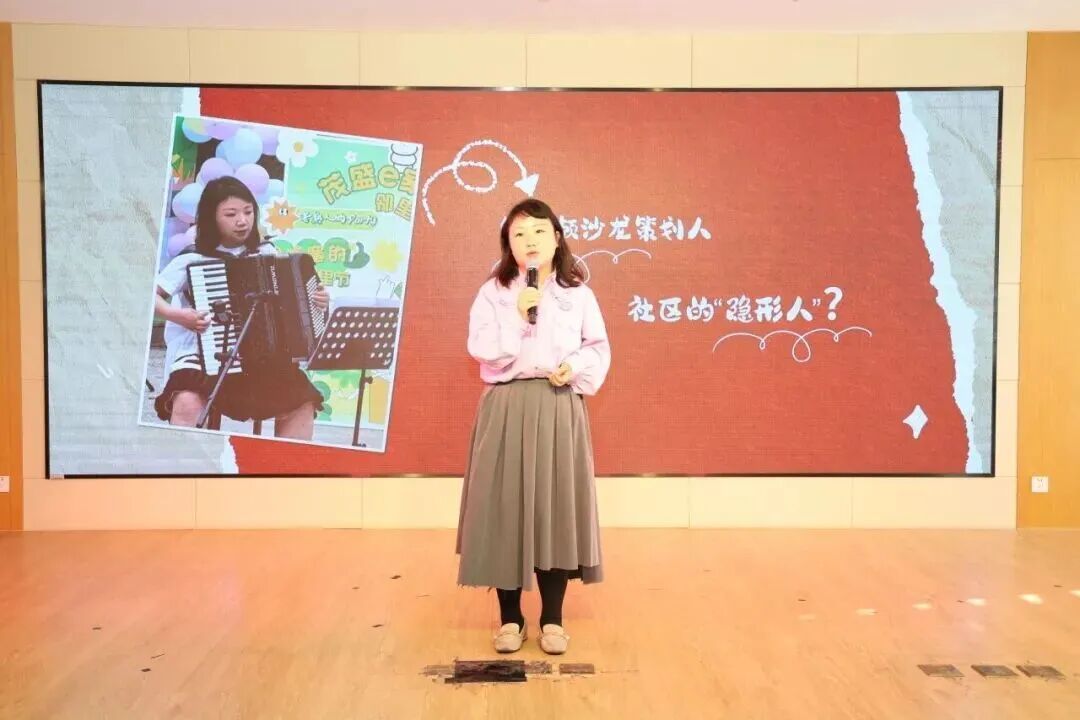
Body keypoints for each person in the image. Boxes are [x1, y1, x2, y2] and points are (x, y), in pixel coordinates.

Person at [456, 198, 612, 655]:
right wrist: (517, 315)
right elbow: (482, 347)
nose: (530, 241)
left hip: (558, 404)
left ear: (557, 239)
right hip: (506, 406)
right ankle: (510, 619)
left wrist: (574, 366)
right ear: (508, 243)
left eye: (540, 231)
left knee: (554, 511)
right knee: (505, 511)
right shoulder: (494, 293)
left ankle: (552, 619)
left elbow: (597, 348)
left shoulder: (578, 295)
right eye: (519, 233)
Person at [152, 176, 328, 440]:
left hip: (262, 360)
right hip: (203, 358)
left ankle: (286, 462)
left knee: (302, 399)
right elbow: (150, 297)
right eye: (231, 214)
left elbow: (295, 300)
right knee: (187, 400)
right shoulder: (193, 257)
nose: (242, 221)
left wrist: (318, 299)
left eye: (248, 212)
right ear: (211, 218)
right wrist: (179, 316)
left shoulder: (266, 252)